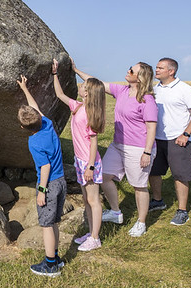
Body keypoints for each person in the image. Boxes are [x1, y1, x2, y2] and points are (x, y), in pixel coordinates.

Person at [72, 60, 158, 237]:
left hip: (139, 148)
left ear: (140, 78)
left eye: (131, 70)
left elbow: (151, 127)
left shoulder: (147, 100)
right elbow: (96, 83)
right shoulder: (122, 90)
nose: (128, 71)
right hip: (118, 144)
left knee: (139, 185)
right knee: (103, 176)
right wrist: (75, 70)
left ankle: (141, 222)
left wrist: (147, 152)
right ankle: (115, 212)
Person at [51, 58, 106, 252]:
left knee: (93, 201)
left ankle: (95, 238)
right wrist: (55, 73)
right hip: (81, 161)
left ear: (89, 93)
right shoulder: (78, 107)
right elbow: (59, 94)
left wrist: (90, 166)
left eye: (84, 86)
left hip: (89, 163)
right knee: (86, 201)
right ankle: (91, 233)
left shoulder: (90, 114)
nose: (81, 87)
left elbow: (93, 143)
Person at [17, 74, 66, 276]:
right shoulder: (47, 124)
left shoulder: (34, 142)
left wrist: (41, 191)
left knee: (46, 225)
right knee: (53, 222)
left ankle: (50, 266)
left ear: (23, 128)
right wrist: (25, 89)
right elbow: (35, 109)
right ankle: (56, 257)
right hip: (61, 180)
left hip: (49, 184)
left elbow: (44, 167)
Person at [149, 58, 191, 226]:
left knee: (180, 175)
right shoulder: (154, 89)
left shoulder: (184, 89)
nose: (156, 70)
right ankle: (158, 200)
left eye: (160, 68)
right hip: (157, 139)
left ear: (171, 71)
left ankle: (182, 211)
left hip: (178, 139)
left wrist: (186, 134)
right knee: (154, 172)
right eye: (157, 67)